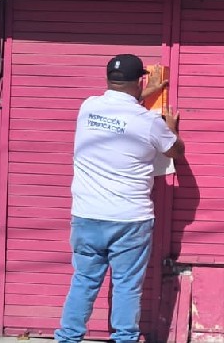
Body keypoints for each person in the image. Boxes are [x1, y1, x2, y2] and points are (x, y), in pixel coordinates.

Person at [55, 54, 185, 343]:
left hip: (87, 214)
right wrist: (172, 129)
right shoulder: (149, 122)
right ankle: (125, 338)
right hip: (130, 218)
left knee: (84, 281)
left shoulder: (88, 108)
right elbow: (175, 151)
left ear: (108, 80)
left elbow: (117, 112)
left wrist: (141, 93)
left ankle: (67, 338)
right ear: (140, 80)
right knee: (127, 285)